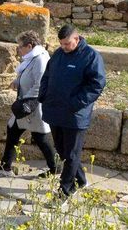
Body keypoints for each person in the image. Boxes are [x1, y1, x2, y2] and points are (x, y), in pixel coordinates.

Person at [38, 24, 108, 200]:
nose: (64, 47)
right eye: (61, 43)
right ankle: (81, 180)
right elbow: (47, 76)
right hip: (55, 111)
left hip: (75, 115)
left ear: (77, 39)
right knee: (62, 151)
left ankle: (65, 190)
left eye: (67, 43)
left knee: (71, 154)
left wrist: (76, 103)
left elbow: (96, 84)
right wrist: (43, 95)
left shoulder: (91, 57)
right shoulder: (58, 54)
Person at [0, 30, 58, 178]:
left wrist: (26, 101)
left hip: (33, 106)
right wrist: (17, 82)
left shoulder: (40, 60)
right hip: (26, 104)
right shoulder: (32, 58)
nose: (18, 50)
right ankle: (6, 165)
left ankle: (56, 167)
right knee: (12, 130)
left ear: (29, 46)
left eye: (20, 47)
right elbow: (27, 76)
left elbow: (40, 85)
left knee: (41, 137)